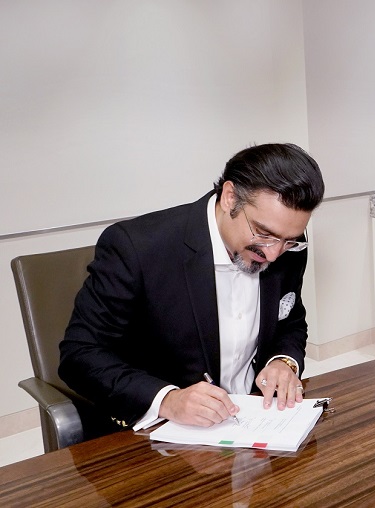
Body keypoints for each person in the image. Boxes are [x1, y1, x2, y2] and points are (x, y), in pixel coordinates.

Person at [59, 143, 325, 433]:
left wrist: (283, 362)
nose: (273, 254)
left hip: (255, 420)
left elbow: (290, 321)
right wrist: (168, 400)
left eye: (289, 240)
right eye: (263, 233)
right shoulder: (137, 248)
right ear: (230, 197)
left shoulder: (288, 246)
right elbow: (80, 354)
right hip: (160, 431)